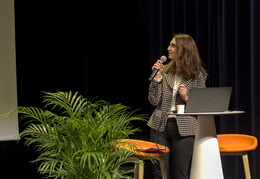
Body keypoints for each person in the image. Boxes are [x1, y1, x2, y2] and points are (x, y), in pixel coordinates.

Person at [148, 33, 208, 179]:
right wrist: (156, 79)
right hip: (160, 126)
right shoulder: (165, 71)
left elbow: (202, 106)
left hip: (185, 128)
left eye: (173, 45)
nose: (168, 48)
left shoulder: (197, 75)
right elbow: (153, 100)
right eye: (169, 45)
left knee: (181, 173)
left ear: (183, 49)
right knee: (159, 172)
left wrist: (187, 97)